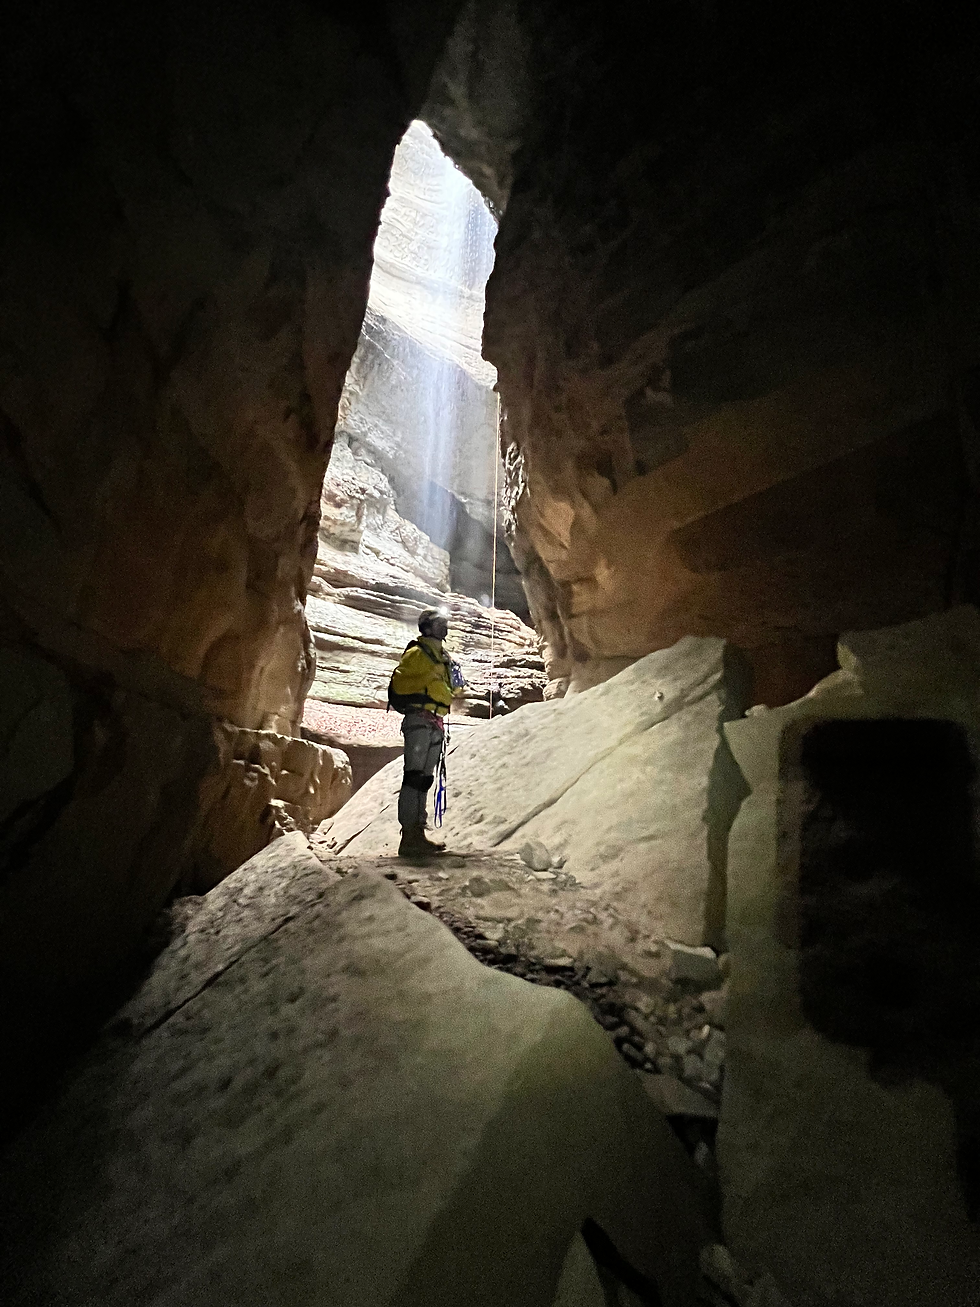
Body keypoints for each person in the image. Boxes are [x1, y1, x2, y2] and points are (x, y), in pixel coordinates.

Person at [389, 607, 455, 857]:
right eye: (440, 623)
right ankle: (409, 836)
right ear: (427, 627)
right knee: (414, 777)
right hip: (419, 720)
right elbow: (402, 681)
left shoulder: (442, 657)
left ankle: (418, 833)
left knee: (424, 779)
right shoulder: (417, 653)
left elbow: (448, 688)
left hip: (434, 721)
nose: (445, 626)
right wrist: (432, 677)